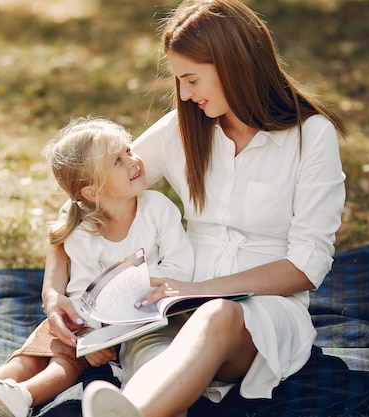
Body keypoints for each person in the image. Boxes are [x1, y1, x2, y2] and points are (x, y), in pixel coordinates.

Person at [41, 1, 347, 417]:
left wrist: (199, 291)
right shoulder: (181, 129)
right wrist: (53, 291)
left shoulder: (311, 136)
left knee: (217, 314)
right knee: (149, 346)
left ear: (234, 66)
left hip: (260, 310)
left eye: (192, 79)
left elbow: (306, 266)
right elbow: (82, 201)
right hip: (170, 304)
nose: (184, 94)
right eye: (180, 81)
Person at [0, 117, 194, 417]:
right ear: (92, 192)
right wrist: (86, 330)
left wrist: (138, 291)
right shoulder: (83, 227)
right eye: (118, 160)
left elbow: (181, 266)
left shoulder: (157, 210)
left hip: (138, 323)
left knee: (64, 361)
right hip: (88, 323)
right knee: (36, 352)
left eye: (128, 151)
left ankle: (22, 395)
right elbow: (80, 290)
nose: (134, 161)